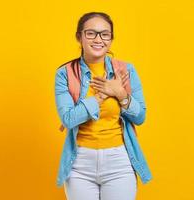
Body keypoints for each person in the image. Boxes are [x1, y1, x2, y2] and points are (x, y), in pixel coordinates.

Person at [54, 12, 153, 200]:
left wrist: (121, 93)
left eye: (104, 34)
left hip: (119, 161)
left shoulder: (126, 70)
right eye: (91, 33)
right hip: (80, 163)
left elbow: (140, 117)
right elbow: (68, 119)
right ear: (79, 37)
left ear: (111, 39)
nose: (98, 39)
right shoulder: (65, 74)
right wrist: (104, 94)